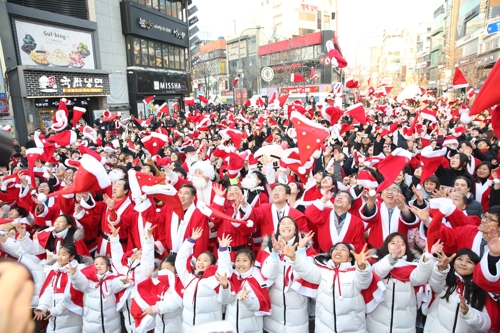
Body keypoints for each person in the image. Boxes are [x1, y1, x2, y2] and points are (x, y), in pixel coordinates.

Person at [286, 239, 374, 333]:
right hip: (324, 327)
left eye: (343, 249)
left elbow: (364, 282)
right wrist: (294, 257)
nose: (338, 251)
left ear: (349, 258)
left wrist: (361, 267)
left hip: (353, 328)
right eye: (335, 249)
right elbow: (306, 270)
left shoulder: (354, 273)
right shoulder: (323, 270)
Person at [366, 232, 435, 333]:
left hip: (405, 325)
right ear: (386, 245)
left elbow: (419, 279)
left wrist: (427, 256)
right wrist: (392, 257)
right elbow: (379, 272)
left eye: (402, 244)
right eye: (393, 243)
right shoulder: (375, 262)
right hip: (376, 325)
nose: (398, 246)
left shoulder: (414, 265)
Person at [258, 216, 316, 333]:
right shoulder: (269, 247)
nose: (286, 225)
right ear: (278, 229)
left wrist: (300, 250)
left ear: (296, 230)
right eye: (282, 223)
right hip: (274, 313)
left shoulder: (307, 249)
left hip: (297, 314)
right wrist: (274, 253)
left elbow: (302, 276)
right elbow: (267, 275)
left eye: (290, 223)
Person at [424, 248, 491, 333]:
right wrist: (441, 269)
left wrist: (469, 313)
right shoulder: (446, 280)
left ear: (477, 267)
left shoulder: (479, 290)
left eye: (469, 262)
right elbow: (435, 283)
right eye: (460, 259)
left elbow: (486, 325)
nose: (463, 264)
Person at [174, 228, 228, 332]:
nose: (201, 262)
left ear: (212, 265)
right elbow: (179, 261)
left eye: (205, 260)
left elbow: (224, 269)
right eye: (199, 259)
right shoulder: (189, 277)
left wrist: (223, 250)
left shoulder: (215, 280)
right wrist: (190, 241)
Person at [67, 256, 133, 333]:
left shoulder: (110, 280)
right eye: (96, 264)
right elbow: (79, 283)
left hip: (112, 325)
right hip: (91, 324)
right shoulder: (88, 281)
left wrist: (123, 281)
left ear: (108, 268)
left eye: (102, 264)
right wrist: (74, 274)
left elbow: (117, 284)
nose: (98, 266)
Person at [216, 247, 270, 333]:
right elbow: (225, 301)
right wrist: (225, 286)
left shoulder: (257, 279)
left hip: (251, 329)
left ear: (252, 263)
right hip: (231, 328)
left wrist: (246, 299)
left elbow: (257, 307)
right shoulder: (231, 277)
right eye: (238, 260)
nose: (241, 264)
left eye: (245, 260)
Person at [34, 245, 85, 333]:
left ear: (72, 257)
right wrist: (42, 307)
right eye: (58, 254)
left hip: (70, 320)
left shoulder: (78, 272)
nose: (59, 257)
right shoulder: (55, 271)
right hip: (53, 321)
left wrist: (56, 310)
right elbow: (49, 291)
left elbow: (72, 295)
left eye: (63, 254)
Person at [239, 183, 309, 239]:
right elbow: (254, 214)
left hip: (290, 251)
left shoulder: (297, 215)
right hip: (268, 251)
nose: (276, 193)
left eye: (280, 191)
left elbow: (304, 237)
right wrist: (244, 205)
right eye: (274, 191)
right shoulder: (264, 209)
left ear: (287, 196)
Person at [360, 183, 420, 248]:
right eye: (386, 189)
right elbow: (368, 217)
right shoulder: (375, 207)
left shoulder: (405, 209)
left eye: (394, 189)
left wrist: (403, 208)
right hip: (376, 249)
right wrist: (370, 202)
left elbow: (412, 223)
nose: (390, 192)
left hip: (398, 250)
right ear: (381, 195)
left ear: (400, 194)